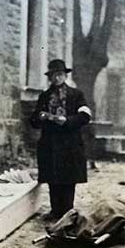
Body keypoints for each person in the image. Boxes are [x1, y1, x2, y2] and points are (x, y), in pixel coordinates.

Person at [29, 59, 93, 219]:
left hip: (70, 142)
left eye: (60, 75)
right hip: (50, 143)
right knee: (53, 177)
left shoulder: (76, 95)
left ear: (65, 76)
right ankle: (55, 210)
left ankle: (68, 211)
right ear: (50, 78)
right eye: (53, 76)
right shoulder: (44, 96)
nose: (57, 78)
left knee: (68, 178)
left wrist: (68, 121)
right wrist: (41, 117)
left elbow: (85, 116)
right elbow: (33, 121)